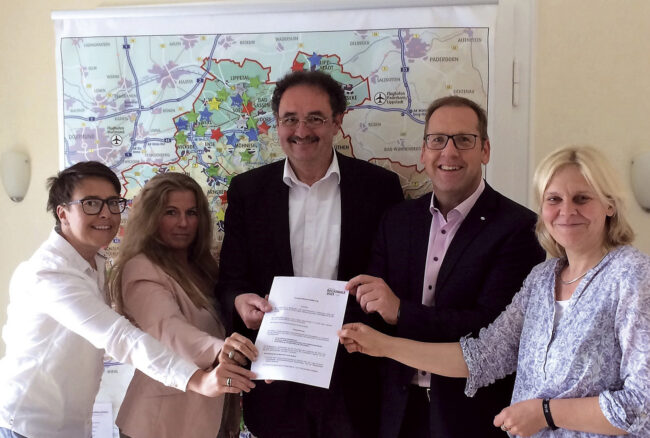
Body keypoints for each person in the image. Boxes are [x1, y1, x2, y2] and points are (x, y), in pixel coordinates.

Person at [340, 146, 650, 437]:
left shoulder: (632, 275)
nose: (566, 211)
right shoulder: (542, 279)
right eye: (554, 199)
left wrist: (545, 413)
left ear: (609, 205)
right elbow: (484, 356)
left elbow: (642, 404)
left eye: (582, 198)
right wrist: (382, 345)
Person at [0, 162, 256, 438]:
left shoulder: (95, 263)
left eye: (112, 203)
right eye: (91, 203)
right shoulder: (50, 273)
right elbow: (121, 336)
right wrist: (198, 380)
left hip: (72, 424)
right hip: (28, 425)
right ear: (63, 213)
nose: (106, 213)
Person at [217, 70, 404, 438]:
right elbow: (230, 280)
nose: (301, 130)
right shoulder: (248, 192)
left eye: (315, 118)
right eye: (290, 119)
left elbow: (394, 278)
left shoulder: (379, 188)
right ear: (277, 124)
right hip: (276, 378)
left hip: (354, 376)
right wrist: (240, 302)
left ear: (337, 121)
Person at [345, 95, 546, 438]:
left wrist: (401, 312)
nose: (449, 152)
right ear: (423, 152)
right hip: (397, 415)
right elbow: (372, 311)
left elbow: (489, 333)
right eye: (437, 140)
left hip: (471, 418)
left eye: (463, 140)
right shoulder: (396, 221)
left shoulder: (519, 228)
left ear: (485, 150)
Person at [108, 172, 257, 438]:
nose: (183, 223)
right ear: (152, 217)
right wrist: (221, 350)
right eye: (171, 212)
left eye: (192, 213)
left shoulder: (203, 268)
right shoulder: (140, 267)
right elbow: (168, 330)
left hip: (210, 414)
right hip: (161, 423)